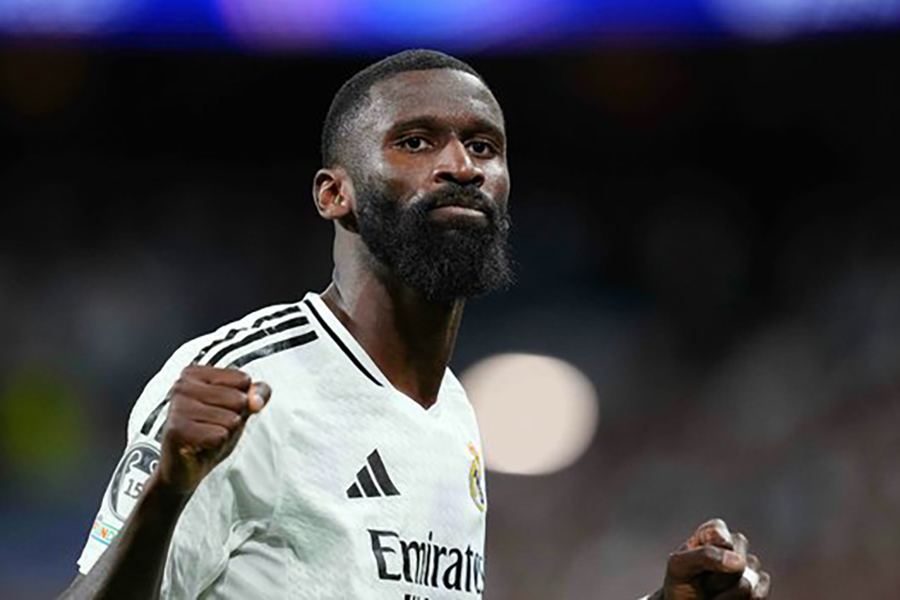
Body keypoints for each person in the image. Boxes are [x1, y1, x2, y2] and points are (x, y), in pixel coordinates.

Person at [59, 49, 771, 599]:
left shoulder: (451, 412)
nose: (460, 166)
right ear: (334, 194)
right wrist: (168, 492)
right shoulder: (246, 382)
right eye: (416, 142)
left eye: (483, 147)